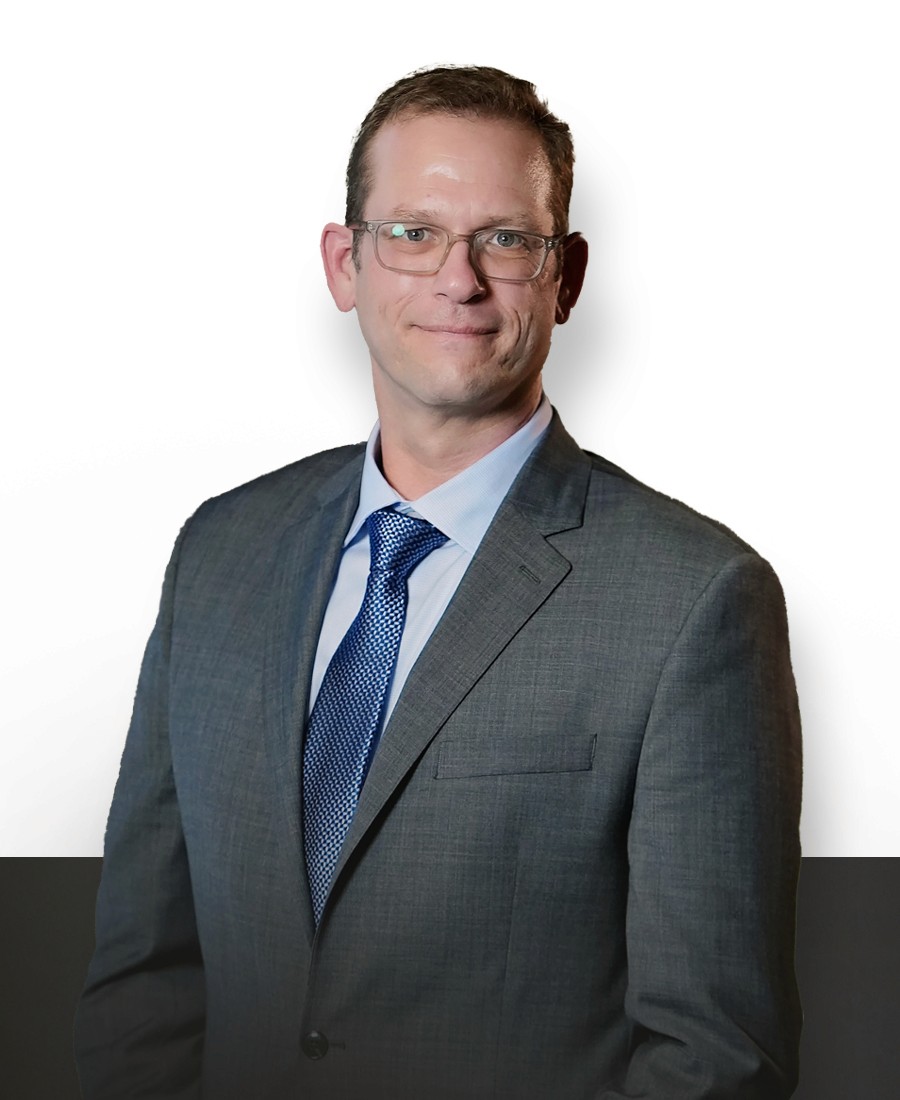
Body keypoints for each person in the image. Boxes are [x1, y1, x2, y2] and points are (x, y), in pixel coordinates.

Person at [75, 65, 802, 1099]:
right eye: (412, 232)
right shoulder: (220, 553)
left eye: (505, 239)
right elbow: (143, 977)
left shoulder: (693, 599)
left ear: (567, 275)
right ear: (345, 262)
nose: (457, 280)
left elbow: (718, 1057)